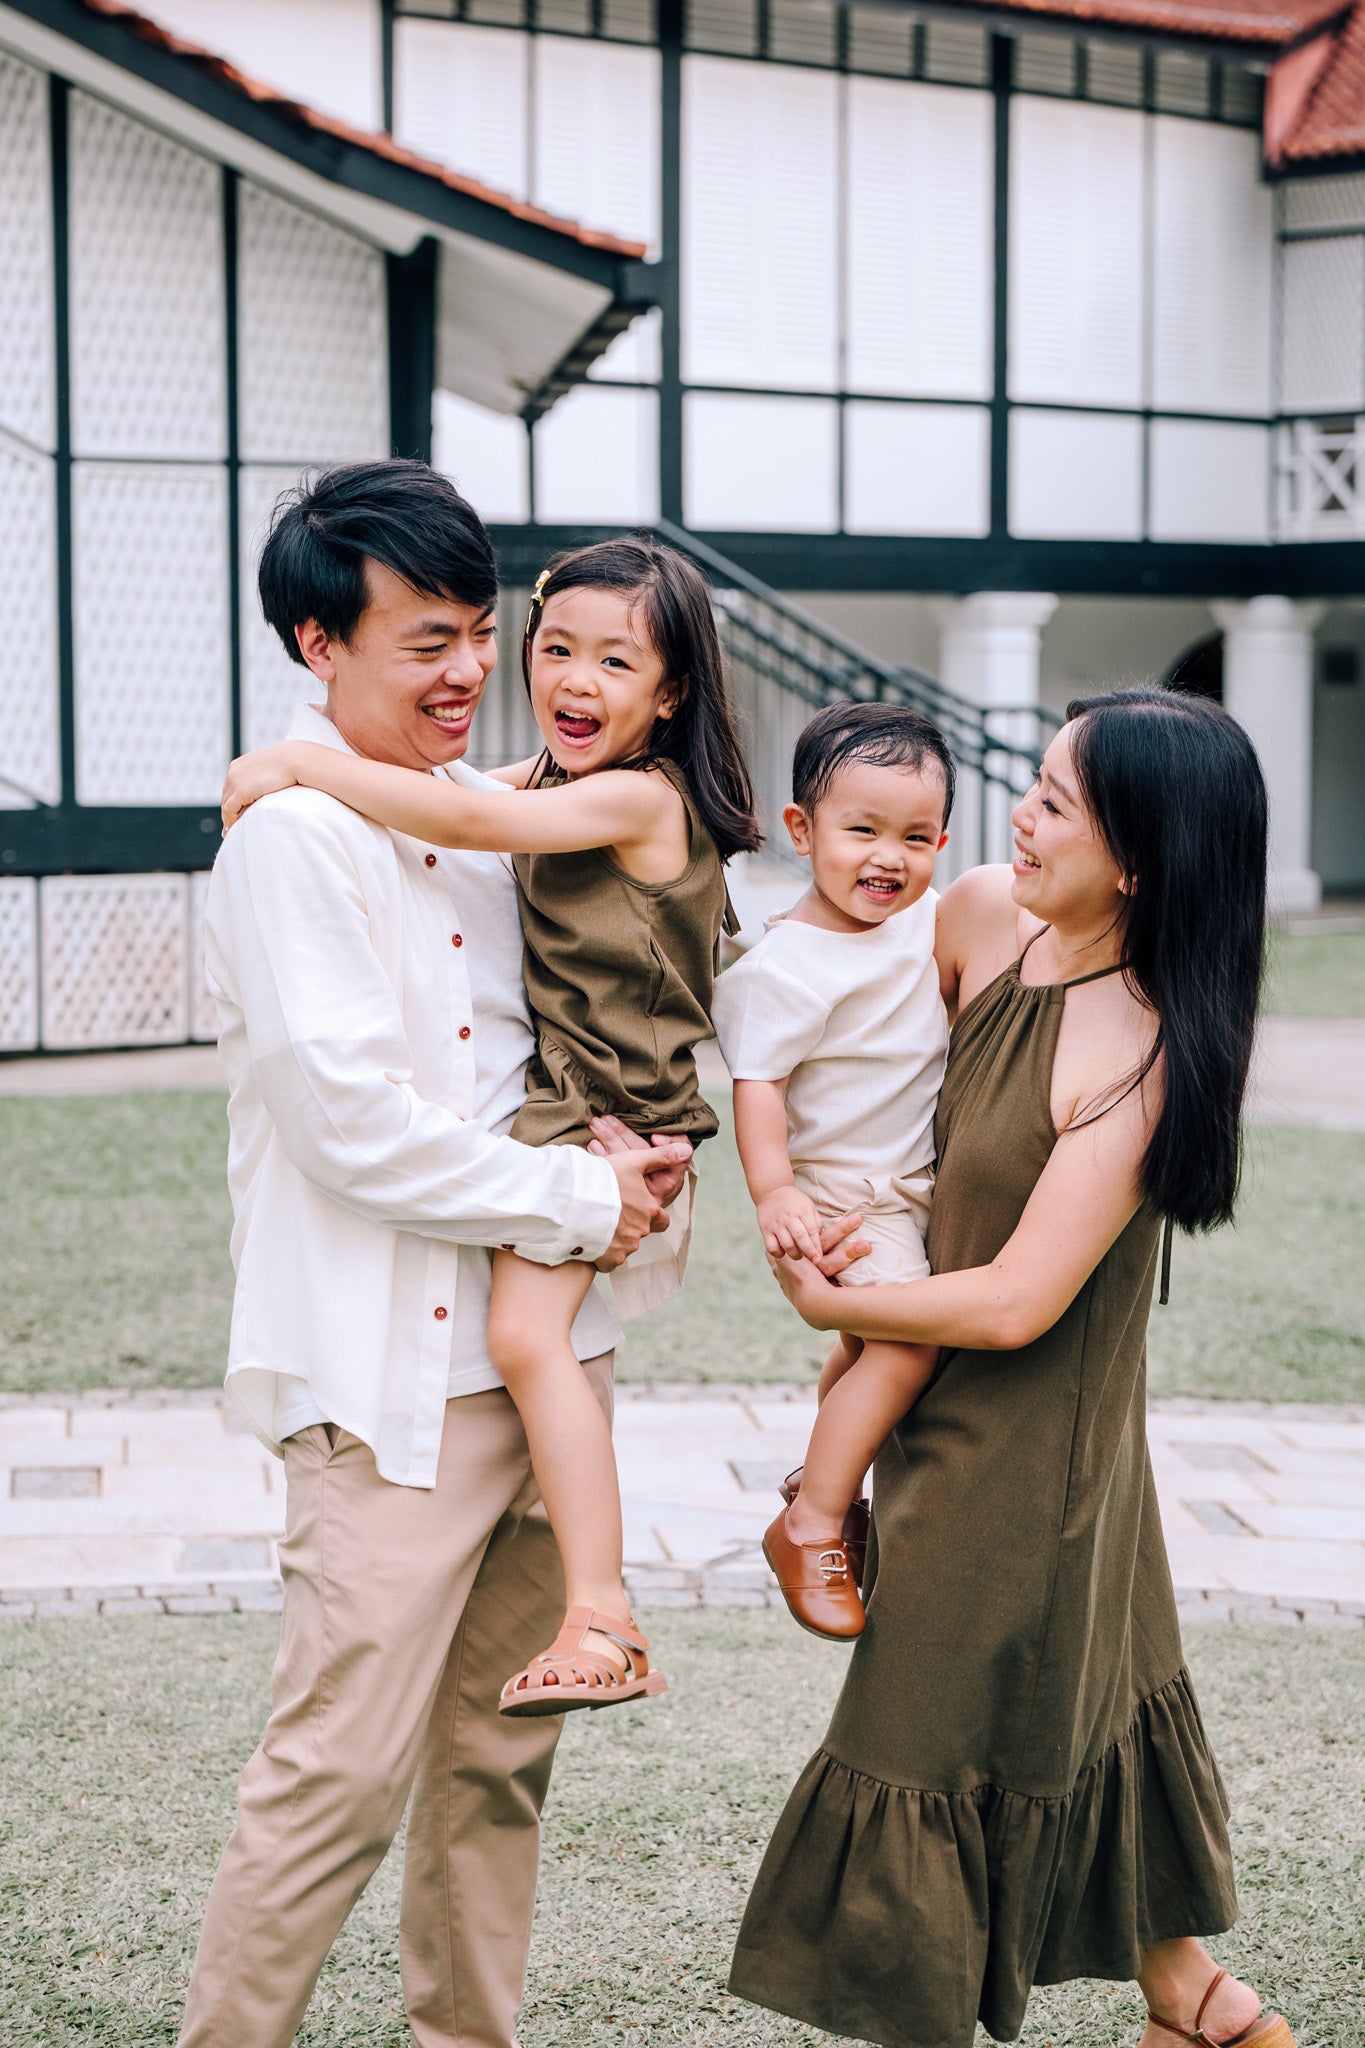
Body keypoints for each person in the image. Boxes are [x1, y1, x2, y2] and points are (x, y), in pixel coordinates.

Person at [182, 462, 692, 2048]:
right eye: (425, 642)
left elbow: (589, 1033)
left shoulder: (503, 817)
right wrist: (583, 1207)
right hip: (388, 1385)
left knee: (495, 1779)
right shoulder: (293, 843)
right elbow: (353, 1126)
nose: (472, 671)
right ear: (317, 647)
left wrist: (628, 1163)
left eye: (483, 631)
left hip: (549, 1374)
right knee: (334, 1779)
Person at [729, 688, 1300, 2048]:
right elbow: (835, 999)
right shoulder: (985, 912)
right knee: (1083, 1703)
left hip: (1021, 1443)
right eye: (1031, 784)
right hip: (928, 1382)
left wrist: (830, 1313)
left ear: (1139, 859)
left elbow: (1017, 1300)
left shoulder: (1147, 1050)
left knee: (915, 1740)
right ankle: (1200, 2009)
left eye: (1052, 803)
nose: (1014, 820)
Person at [221, 536, 761, 1718]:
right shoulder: (552, 787)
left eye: (616, 661)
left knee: (526, 1341)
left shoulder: (639, 793)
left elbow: (456, 821)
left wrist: (295, 764)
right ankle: (596, 1603)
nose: (573, 677)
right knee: (535, 1343)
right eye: (554, 645)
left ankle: (603, 1612)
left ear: (670, 694)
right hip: (580, 1105)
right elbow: (464, 798)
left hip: (607, 1111)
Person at [713, 701, 951, 1640]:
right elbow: (757, 1086)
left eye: (915, 836)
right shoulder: (788, 966)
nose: (888, 857)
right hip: (844, 1200)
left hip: (912, 1186)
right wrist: (774, 1191)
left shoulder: (926, 917)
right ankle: (812, 1519)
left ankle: (825, 1484)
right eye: (862, 831)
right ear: (802, 830)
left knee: (858, 1351)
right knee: (904, 1344)